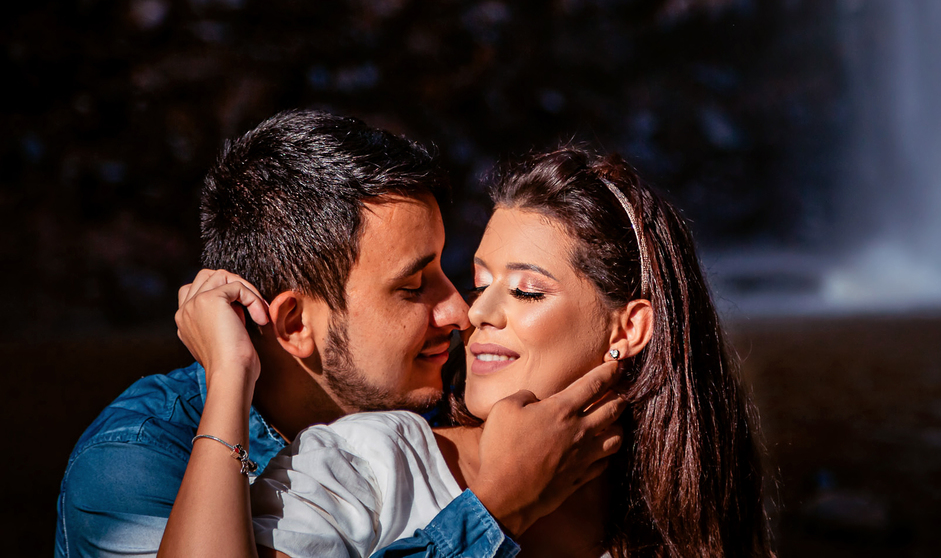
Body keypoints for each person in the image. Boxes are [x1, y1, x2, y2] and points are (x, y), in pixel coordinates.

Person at [55, 111, 623, 558]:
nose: (459, 311)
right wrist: (493, 512)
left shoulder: (446, 401)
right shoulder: (135, 459)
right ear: (295, 325)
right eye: (412, 287)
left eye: (452, 274)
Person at [165, 145, 771, 557]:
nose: (473, 312)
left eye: (527, 290)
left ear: (630, 329)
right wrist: (491, 514)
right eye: (482, 283)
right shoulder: (366, 465)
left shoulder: (690, 516)